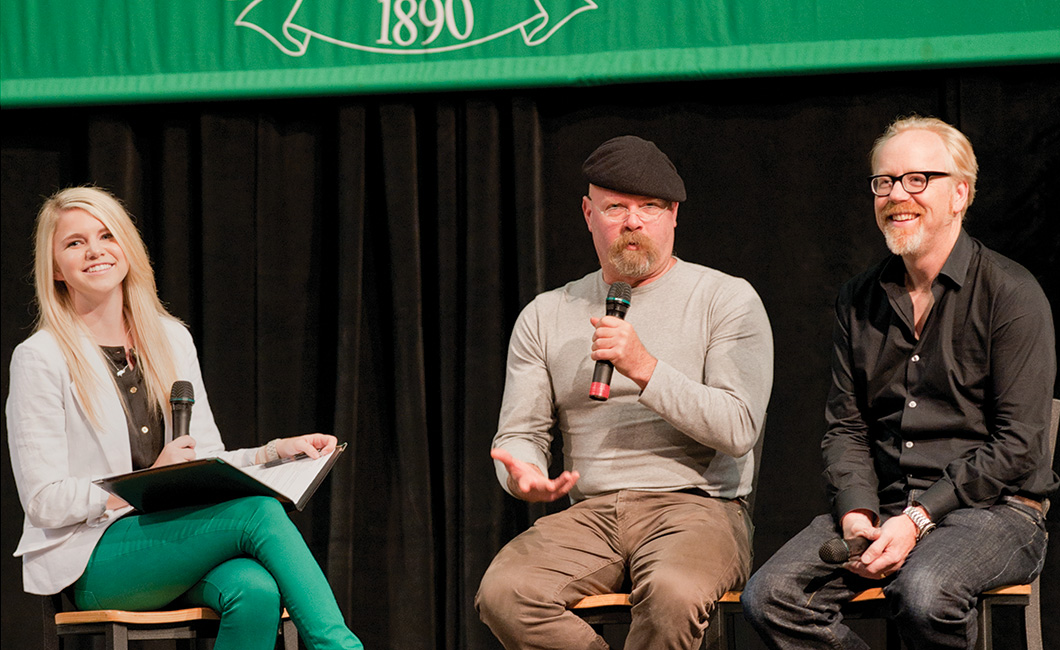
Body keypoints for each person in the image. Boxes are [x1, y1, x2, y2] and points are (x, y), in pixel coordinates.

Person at [741, 116, 1056, 649]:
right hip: (885, 507)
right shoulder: (858, 299)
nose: (895, 195)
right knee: (770, 596)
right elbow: (846, 426)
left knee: (925, 592)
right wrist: (858, 511)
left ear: (960, 194)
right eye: (884, 181)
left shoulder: (1011, 294)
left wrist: (918, 517)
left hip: (994, 511)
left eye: (916, 180)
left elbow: (1020, 445)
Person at [6, 186, 363, 650]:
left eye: (106, 235)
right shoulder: (40, 357)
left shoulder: (171, 340)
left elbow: (204, 463)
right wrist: (145, 480)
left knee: (255, 591)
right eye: (75, 243)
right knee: (257, 512)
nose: (95, 250)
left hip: (175, 539)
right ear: (55, 268)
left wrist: (273, 453)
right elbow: (44, 501)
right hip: (92, 559)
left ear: (127, 248)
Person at [475, 135, 774, 649]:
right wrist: (519, 476)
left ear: (673, 215)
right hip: (591, 512)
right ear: (589, 214)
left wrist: (645, 368)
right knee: (506, 592)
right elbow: (520, 435)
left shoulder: (725, 298)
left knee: (673, 593)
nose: (633, 222)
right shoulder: (546, 314)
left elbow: (737, 428)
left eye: (649, 208)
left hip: (699, 507)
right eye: (616, 207)